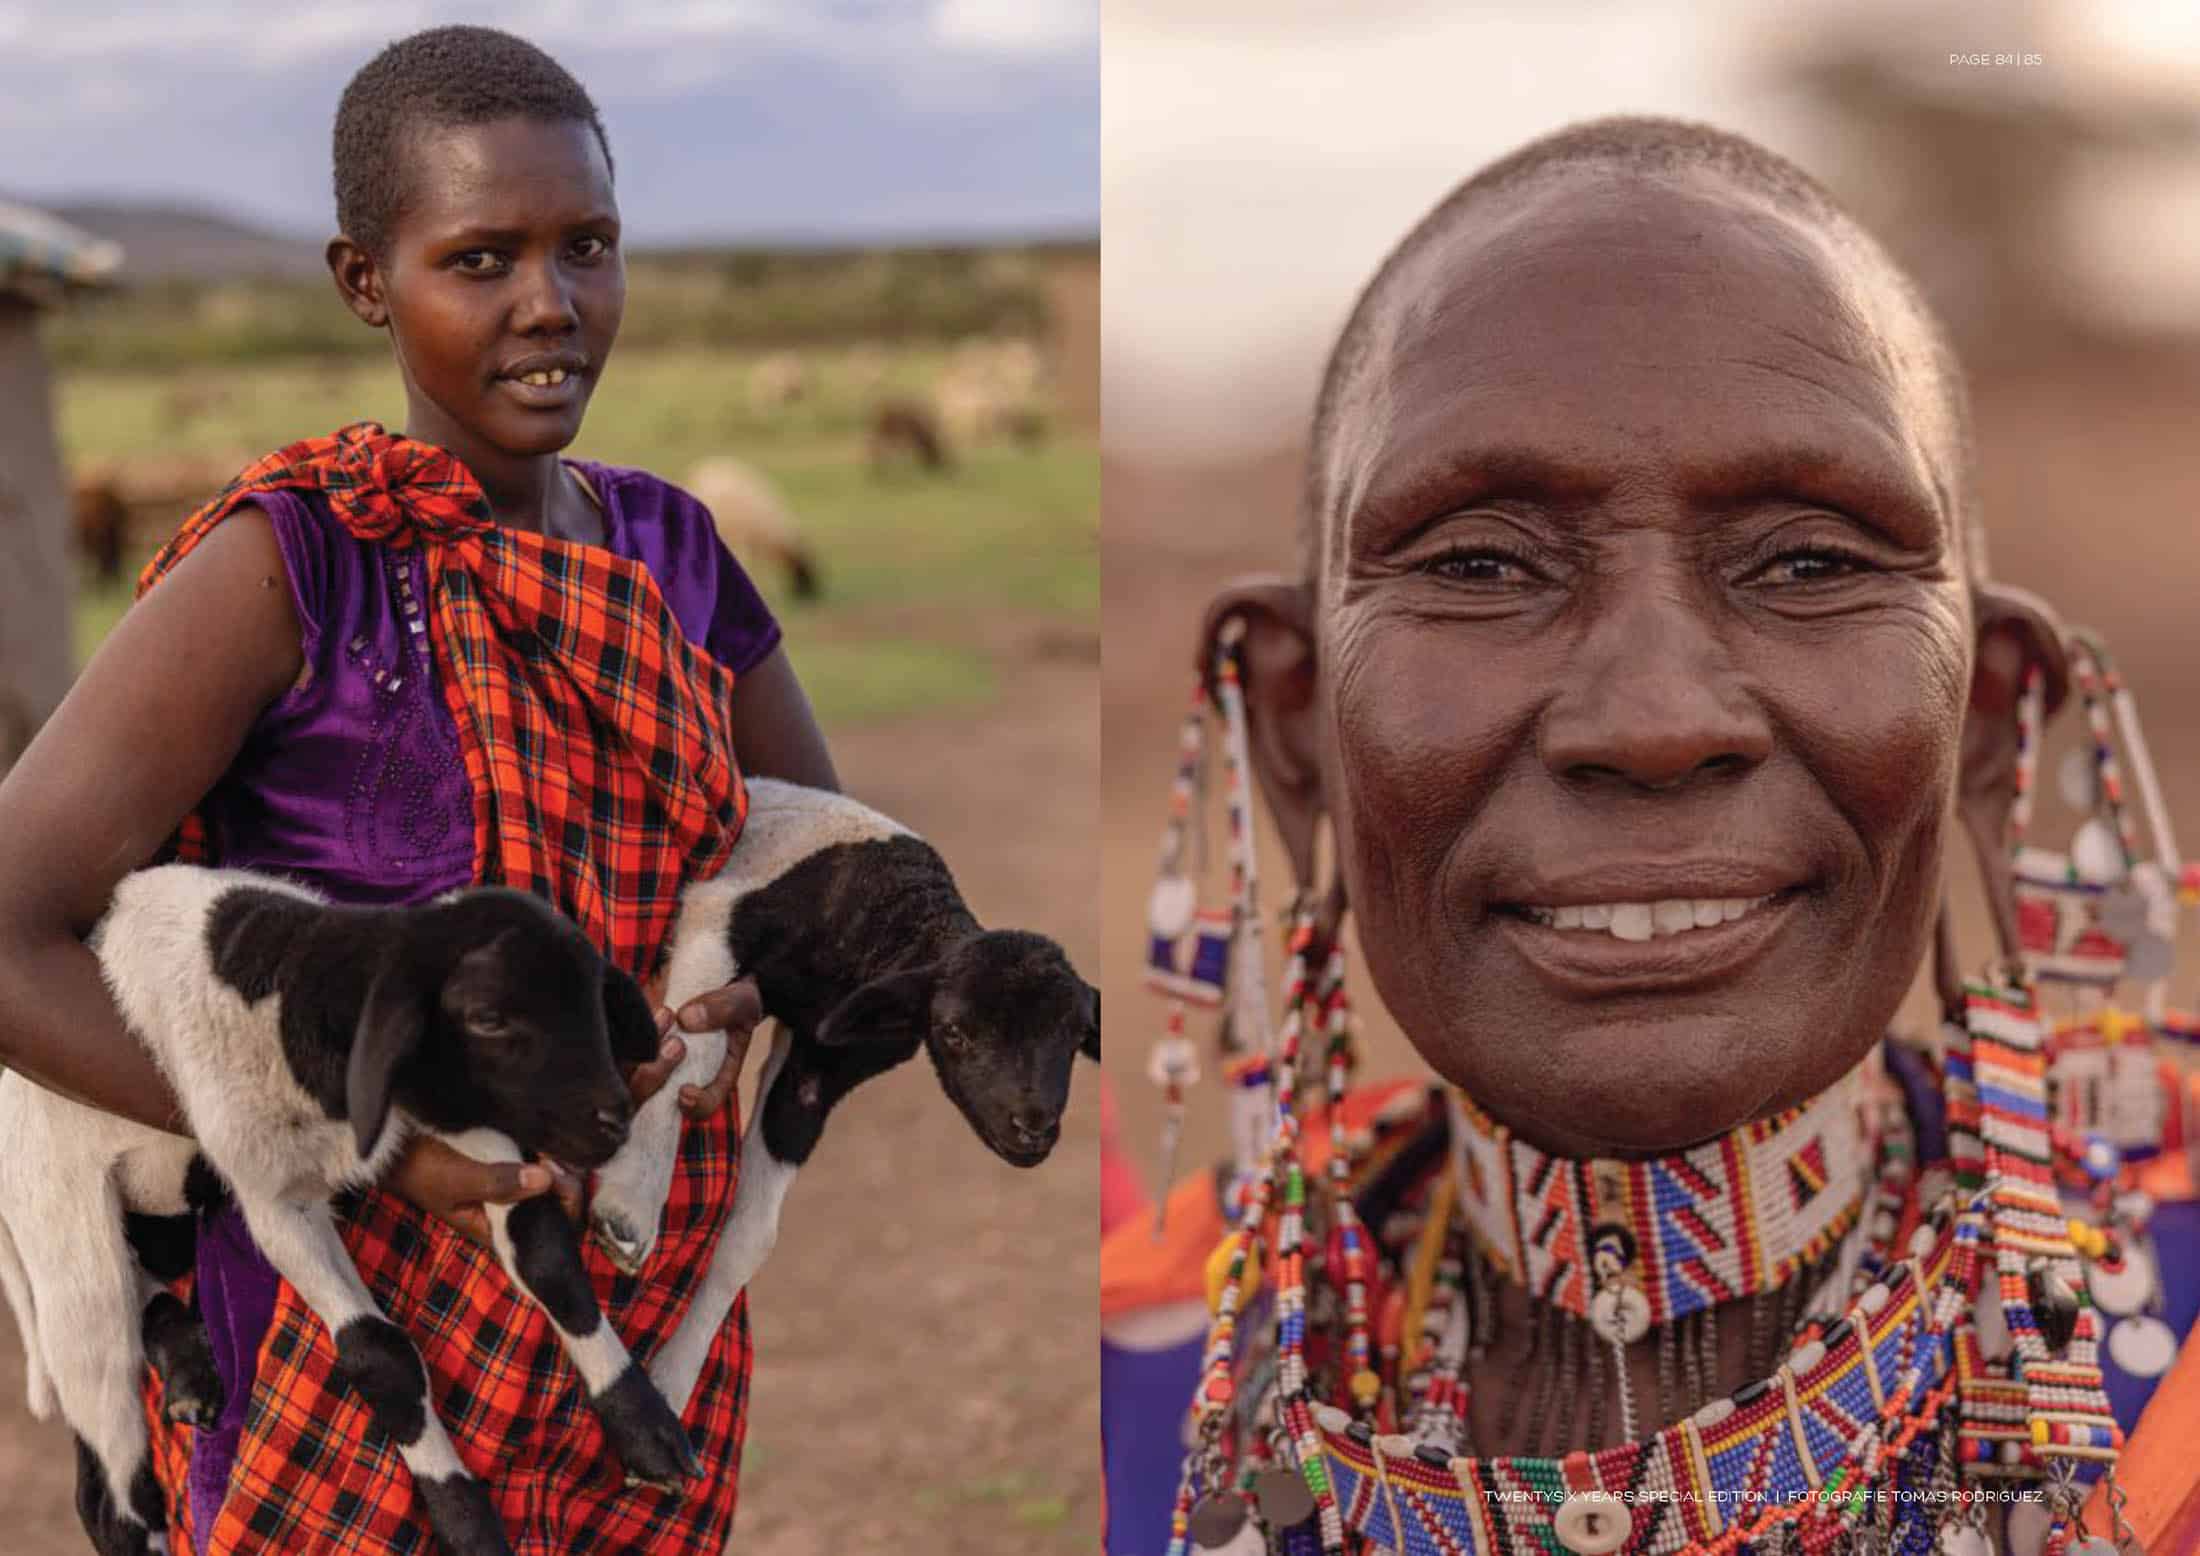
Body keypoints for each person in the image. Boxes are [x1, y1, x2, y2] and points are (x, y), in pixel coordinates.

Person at [1108, 116, 2196, 1554]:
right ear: (1298, 726)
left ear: (1987, 725)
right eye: (1480, 564)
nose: (1652, 718)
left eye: (1811, 562)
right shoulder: (1146, 1396)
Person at [0, 26, 834, 1553]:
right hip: (349, 1352)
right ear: (365, 283)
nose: (551, 305)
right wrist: (374, 1144)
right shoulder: (291, 567)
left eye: (588, 245)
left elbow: (815, 884)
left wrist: (782, 982)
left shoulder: (674, 559)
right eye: (480, 258)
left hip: (632, 1331)